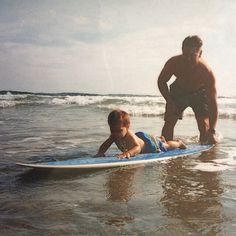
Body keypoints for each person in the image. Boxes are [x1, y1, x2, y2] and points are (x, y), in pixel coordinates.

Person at [157, 35, 218, 144]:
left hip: (199, 93)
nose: (188, 59)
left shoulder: (206, 72)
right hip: (179, 91)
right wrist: (169, 101)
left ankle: (204, 155)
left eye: (192, 55)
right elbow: (161, 81)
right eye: (185, 55)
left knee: (204, 125)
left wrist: (212, 131)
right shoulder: (174, 62)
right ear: (182, 51)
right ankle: (165, 146)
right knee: (170, 120)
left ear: (200, 54)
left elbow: (213, 103)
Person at [95, 109, 186, 159]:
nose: (115, 133)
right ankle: (161, 139)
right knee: (162, 142)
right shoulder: (114, 135)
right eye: (112, 130)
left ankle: (178, 143)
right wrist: (100, 152)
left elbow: (137, 148)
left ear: (127, 127)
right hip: (140, 138)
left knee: (166, 146)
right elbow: (105, 145)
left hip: (149, 145)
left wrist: (128, 153)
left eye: (119, 131)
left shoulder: (129, 136)